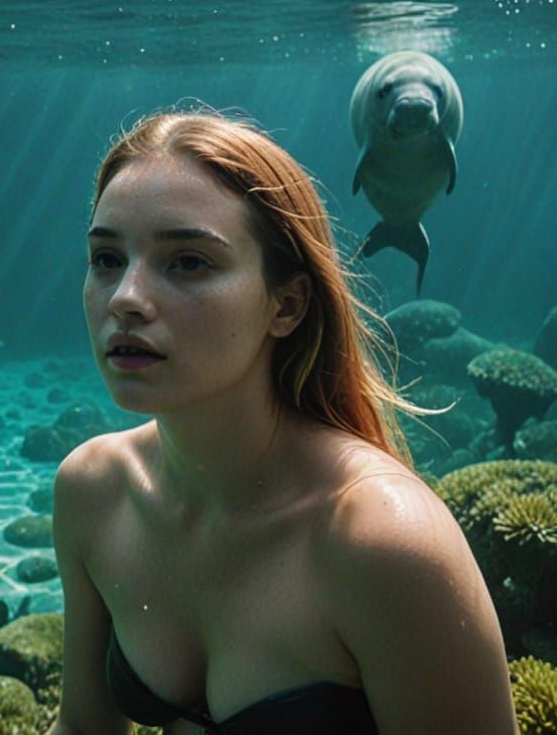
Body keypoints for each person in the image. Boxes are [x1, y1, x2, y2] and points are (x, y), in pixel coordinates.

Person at [47, 109, 518, 735]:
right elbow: (83, 728)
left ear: (287, 304)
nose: (127, 297)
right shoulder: (92, 490)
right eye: (106, 258)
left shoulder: (383, 540)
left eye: (187, 262)